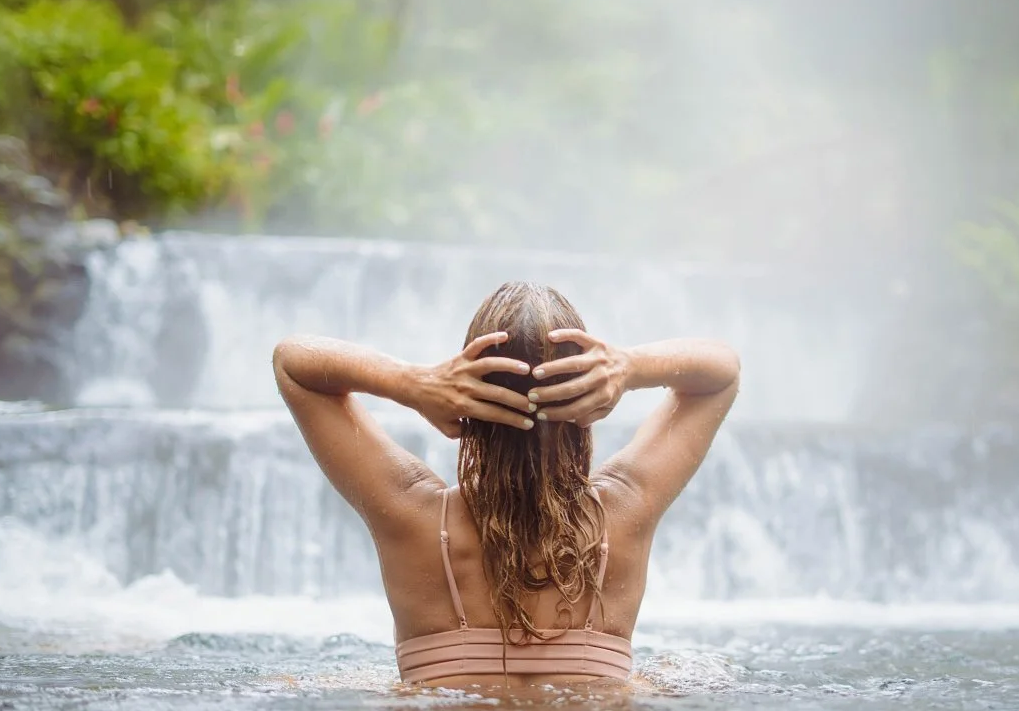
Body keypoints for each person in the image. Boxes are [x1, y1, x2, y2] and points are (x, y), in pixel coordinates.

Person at [273, 281, 739, 689]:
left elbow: (294, 363)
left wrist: (412, 383)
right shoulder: (625, 510)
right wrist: (630, 367)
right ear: (589, 399)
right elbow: (722, 372)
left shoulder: (409, 512)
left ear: (463, 392)